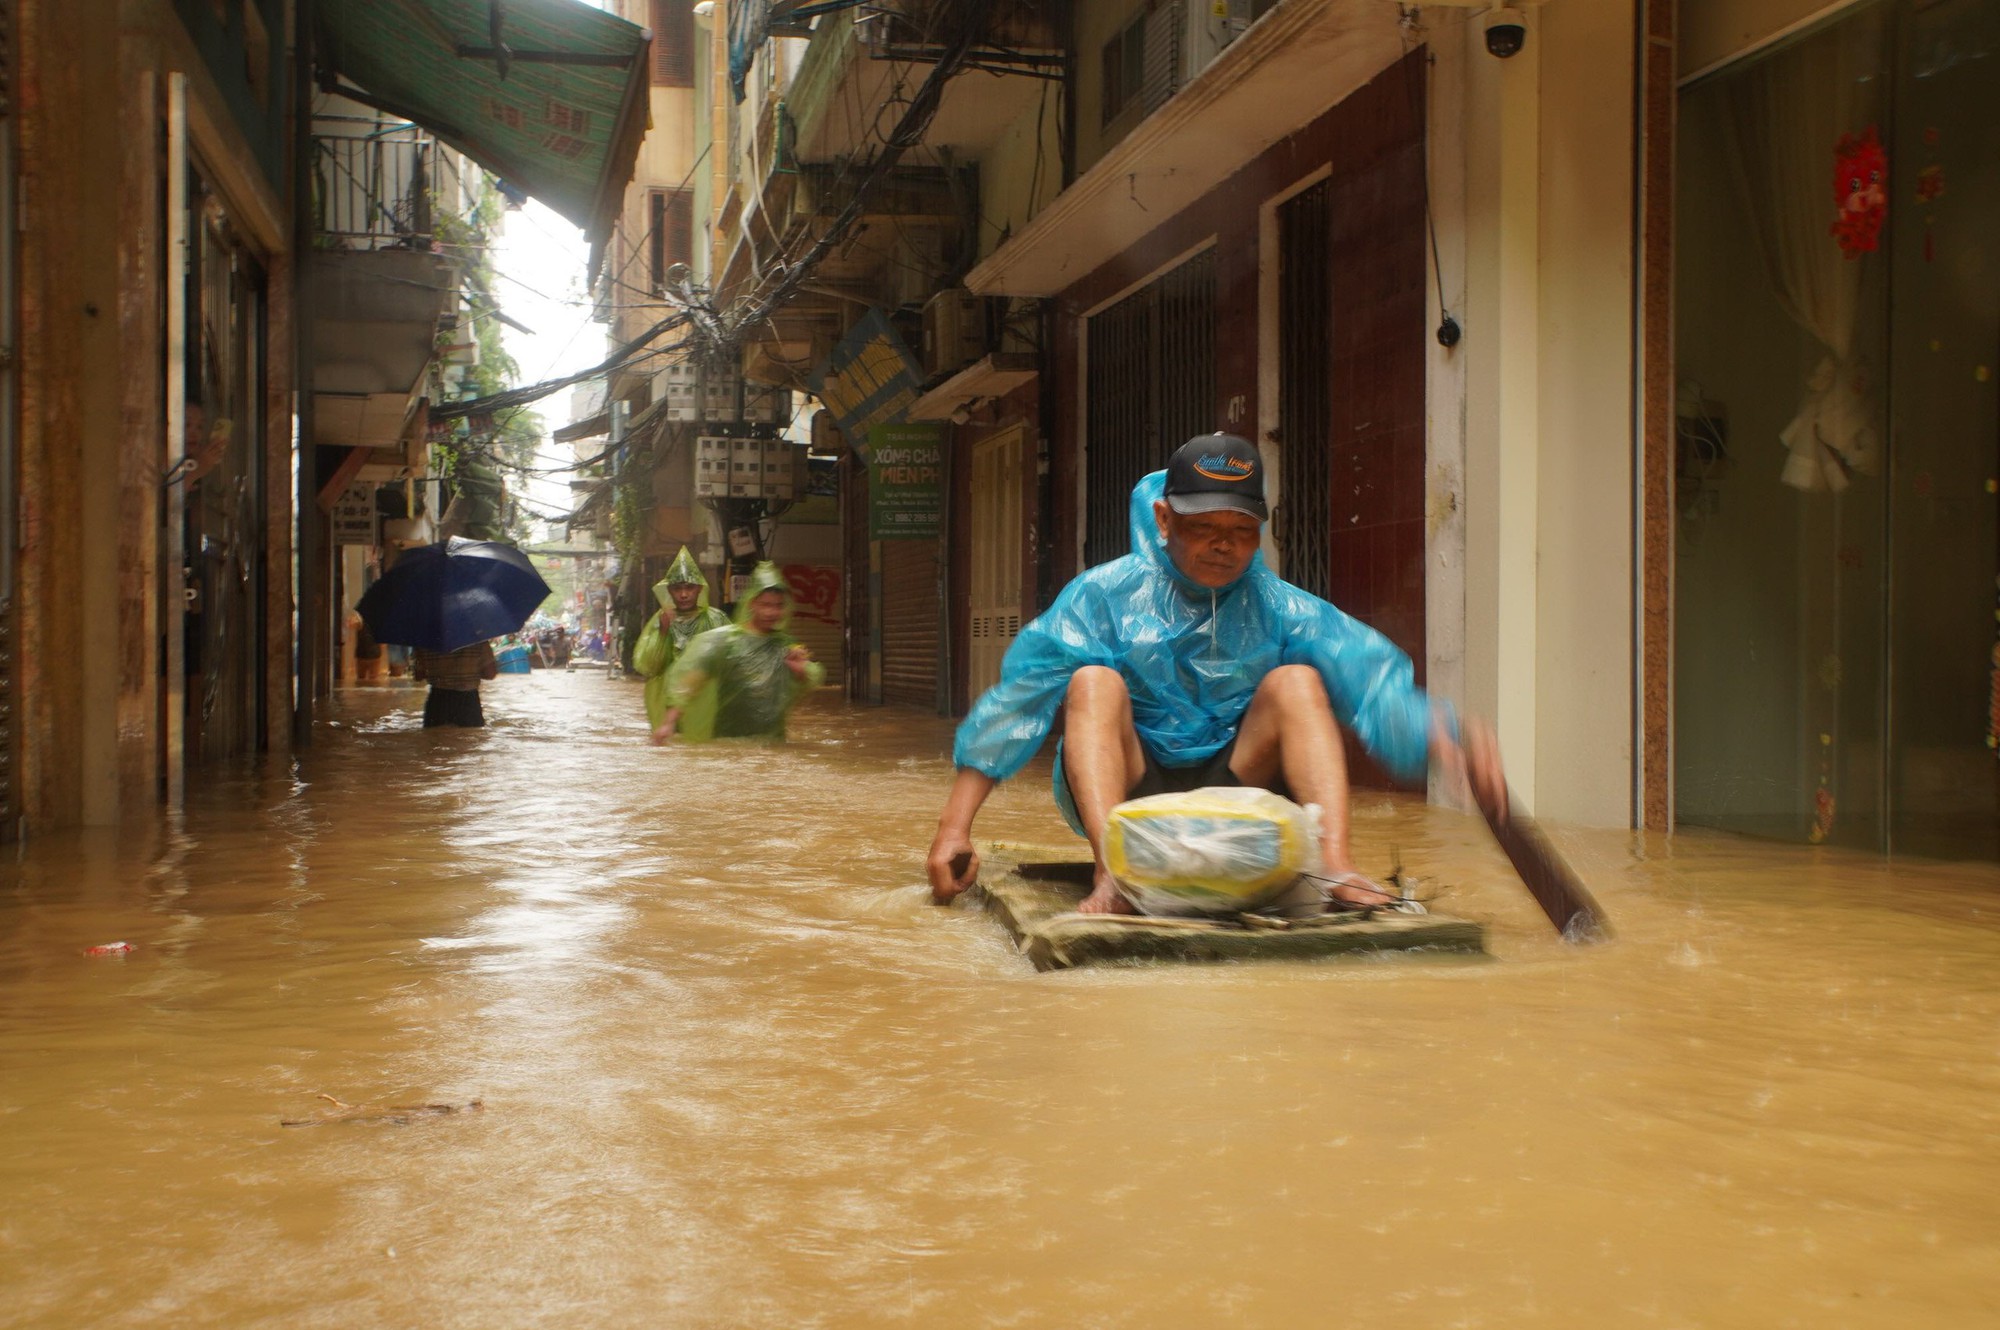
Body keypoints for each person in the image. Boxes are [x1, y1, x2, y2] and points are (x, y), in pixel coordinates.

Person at [926, 433, 1508, 915]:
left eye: (1242, 531)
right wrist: (955, 829)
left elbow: (1372, 681)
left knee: (1298, 682)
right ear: (1163, 518)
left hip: (1240, 788)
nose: (1224, 547)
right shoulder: (1102, 596)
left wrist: (1441, 735)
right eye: (1204, 528)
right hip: (1132, 787)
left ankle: (1334, 867)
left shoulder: (1279, 604)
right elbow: (1017, 703)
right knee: (1091, 683)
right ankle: (1116, 878)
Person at [655, 561, 823, 744]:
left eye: (778, 605)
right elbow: (689, 684)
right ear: (751, 604)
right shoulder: (726, 642)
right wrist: (668, 723)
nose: (772, 612)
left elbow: (810, 681)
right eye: (766, 604)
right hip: (728, 742)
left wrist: (801, 672)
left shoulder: (786, 646)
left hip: (774, 744)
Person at [633, 546, 730, 733]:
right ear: (669, 591)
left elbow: (729, 660)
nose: (684, 594)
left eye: (689, 588)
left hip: (706, 700)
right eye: (678, 589)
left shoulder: (716, 619)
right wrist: (663, 633)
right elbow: (649, 666)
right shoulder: (661, 620)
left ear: (699, 589)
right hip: (672, 700)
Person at [412, 638, 500, 728]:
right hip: (468, 701)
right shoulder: (478, 640)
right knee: (470, 739)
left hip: (437, 701)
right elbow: (490, 674)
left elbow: (418, 676)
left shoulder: (425, 642)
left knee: (435, 739)